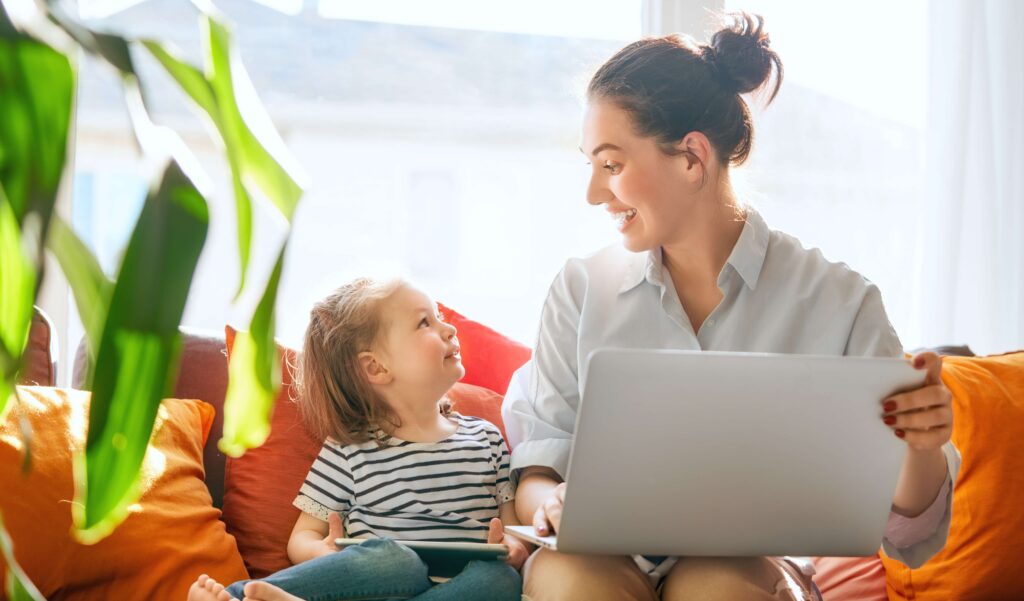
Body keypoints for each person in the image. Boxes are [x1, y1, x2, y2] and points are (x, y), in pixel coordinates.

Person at [502, 12, 959, 601]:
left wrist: (919, 445)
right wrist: (555, 503)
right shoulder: (580, 288)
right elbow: (536, 471)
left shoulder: (839, 300)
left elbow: (913, 530)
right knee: (570, 577)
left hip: (754, 571)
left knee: (715, 586)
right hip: (601, 560)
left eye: (611, 165)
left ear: (692, 157)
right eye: (591, 165)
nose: (593, 193)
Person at [188, 278, 528, 601]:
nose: (449, 328)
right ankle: (240, 596)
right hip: (380, 585)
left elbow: (514, 529)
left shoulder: (487, 438)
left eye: (438, 317)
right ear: (376, 368)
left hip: (460, 589)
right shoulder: (349, 449)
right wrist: (323, 551)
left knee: (500, 579)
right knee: (397, 560)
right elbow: (301, 538)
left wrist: (514, 548)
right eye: (425, 322)